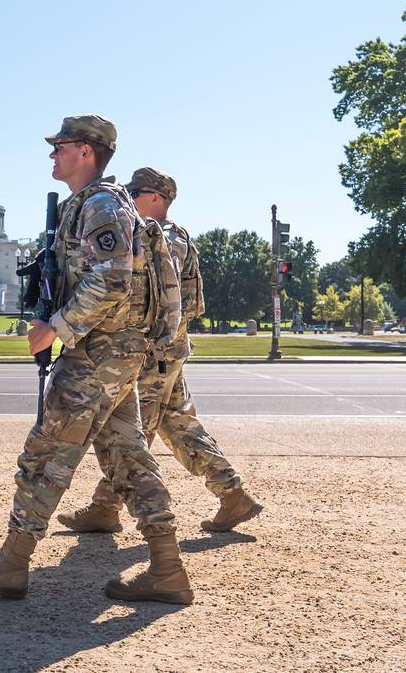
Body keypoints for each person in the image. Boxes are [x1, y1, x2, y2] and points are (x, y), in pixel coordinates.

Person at [0, 115, 193, 604]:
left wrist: (55, 326)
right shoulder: (94, 205)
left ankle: (11, 563)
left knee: (46, 452)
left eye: (60, 146)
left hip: (98, 351)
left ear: (86, 151)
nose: (52, 153)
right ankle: (167, 569)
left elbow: (113, 278)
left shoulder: (101, 205)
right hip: (116, 352)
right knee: (128, 457)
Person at [59, 167, 262, 534]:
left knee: (129, 431)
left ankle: (106, 507)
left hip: (154, 352)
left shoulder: (160, 237)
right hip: (169, 350)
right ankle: (233, 494)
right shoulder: (174, 235)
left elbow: (150, 298)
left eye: (134, 193)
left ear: (155, 197)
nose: (127, 199)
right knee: (178, 424)